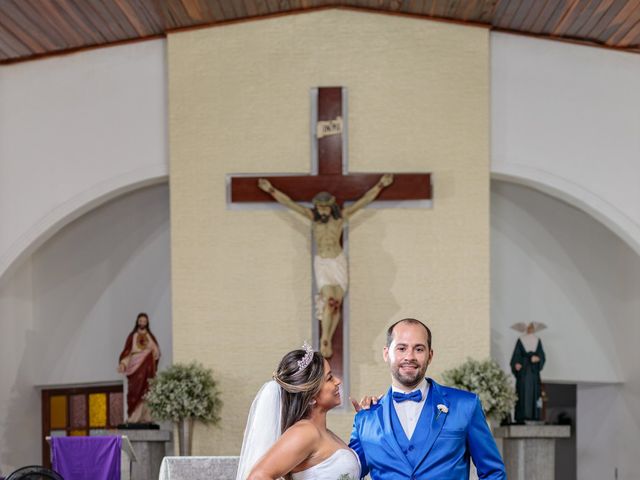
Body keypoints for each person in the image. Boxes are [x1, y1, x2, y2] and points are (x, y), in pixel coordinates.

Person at [349, 318, 506, 480]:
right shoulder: (366, 418)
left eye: (419, 349)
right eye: (401, 348)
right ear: (386, 353)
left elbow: (493, 473)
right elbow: (347, 472)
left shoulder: (466, 405)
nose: (409, 356)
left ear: (430, 355)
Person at [257, 174, 394, 358]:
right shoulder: (312, 218)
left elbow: (363, 201)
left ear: (331, 207)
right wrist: (270, 189)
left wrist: (380, 185)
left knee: (335, 304)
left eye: (325, 207)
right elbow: (290, 204)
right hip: (322, 262)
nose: (322, 211)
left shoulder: (340, 218)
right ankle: (325, 338)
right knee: (329, 299)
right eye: (319, 207)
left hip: (338, 261)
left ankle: (327, 336)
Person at [237, 343, 360, 480]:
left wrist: (365, 421)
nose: (337, 381)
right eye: (329, 378)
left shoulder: (323, 432)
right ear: (311, 396)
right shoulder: (306, 432)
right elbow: (257, 477)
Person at [117, 312, 161, 423]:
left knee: (147, 392)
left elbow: (156, 353)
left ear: (147, 323)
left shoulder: (150, 337)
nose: (142, 323)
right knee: (134, 392)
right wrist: (123, 364)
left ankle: (146, 417)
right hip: (135, 368)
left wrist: (150, 348)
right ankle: (133, 417)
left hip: (147, 367)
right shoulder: (133, 336)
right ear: (137, 322)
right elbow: (127, 353)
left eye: (144, 321)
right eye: (140, 321)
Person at [510, 322, 546, 423]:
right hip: (524, 372)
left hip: (534, 373)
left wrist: (538, 358)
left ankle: (534, 415)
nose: (530, 328)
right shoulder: (521, 340)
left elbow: (542, 355)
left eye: (532, 327)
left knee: (535, 393)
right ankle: (522, 415)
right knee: (522, 392)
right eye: (529, 327)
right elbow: (516, 356)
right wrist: (516, 364)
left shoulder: (537, 340)